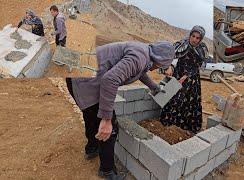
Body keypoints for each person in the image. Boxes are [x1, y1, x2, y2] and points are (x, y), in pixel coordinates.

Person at [65, 40, 175, 179]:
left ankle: (92, 148)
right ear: (159, 60)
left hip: (79, 76)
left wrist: (155, 87)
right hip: (86, 83)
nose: (158, 68)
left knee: (91, 117)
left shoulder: (143, 52)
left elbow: (140, 72)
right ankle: (107, 171)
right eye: (161, 65)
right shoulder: (140, 58)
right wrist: (106, 119)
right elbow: (109, 80)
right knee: (109, 129)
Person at [160, 26, 209, 133]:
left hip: (192, 79)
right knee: (173, 98)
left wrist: (185, 77)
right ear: (190, 35)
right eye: (193, 36)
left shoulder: (202, 49)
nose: (194, 39)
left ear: (201, 39)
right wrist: (169, 66)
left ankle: (185, 127)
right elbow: (170, 55)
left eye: (198, 38)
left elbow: (198, 66)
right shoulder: (182, 44)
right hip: (178, 74)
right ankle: (169, 123)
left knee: (189, 102)